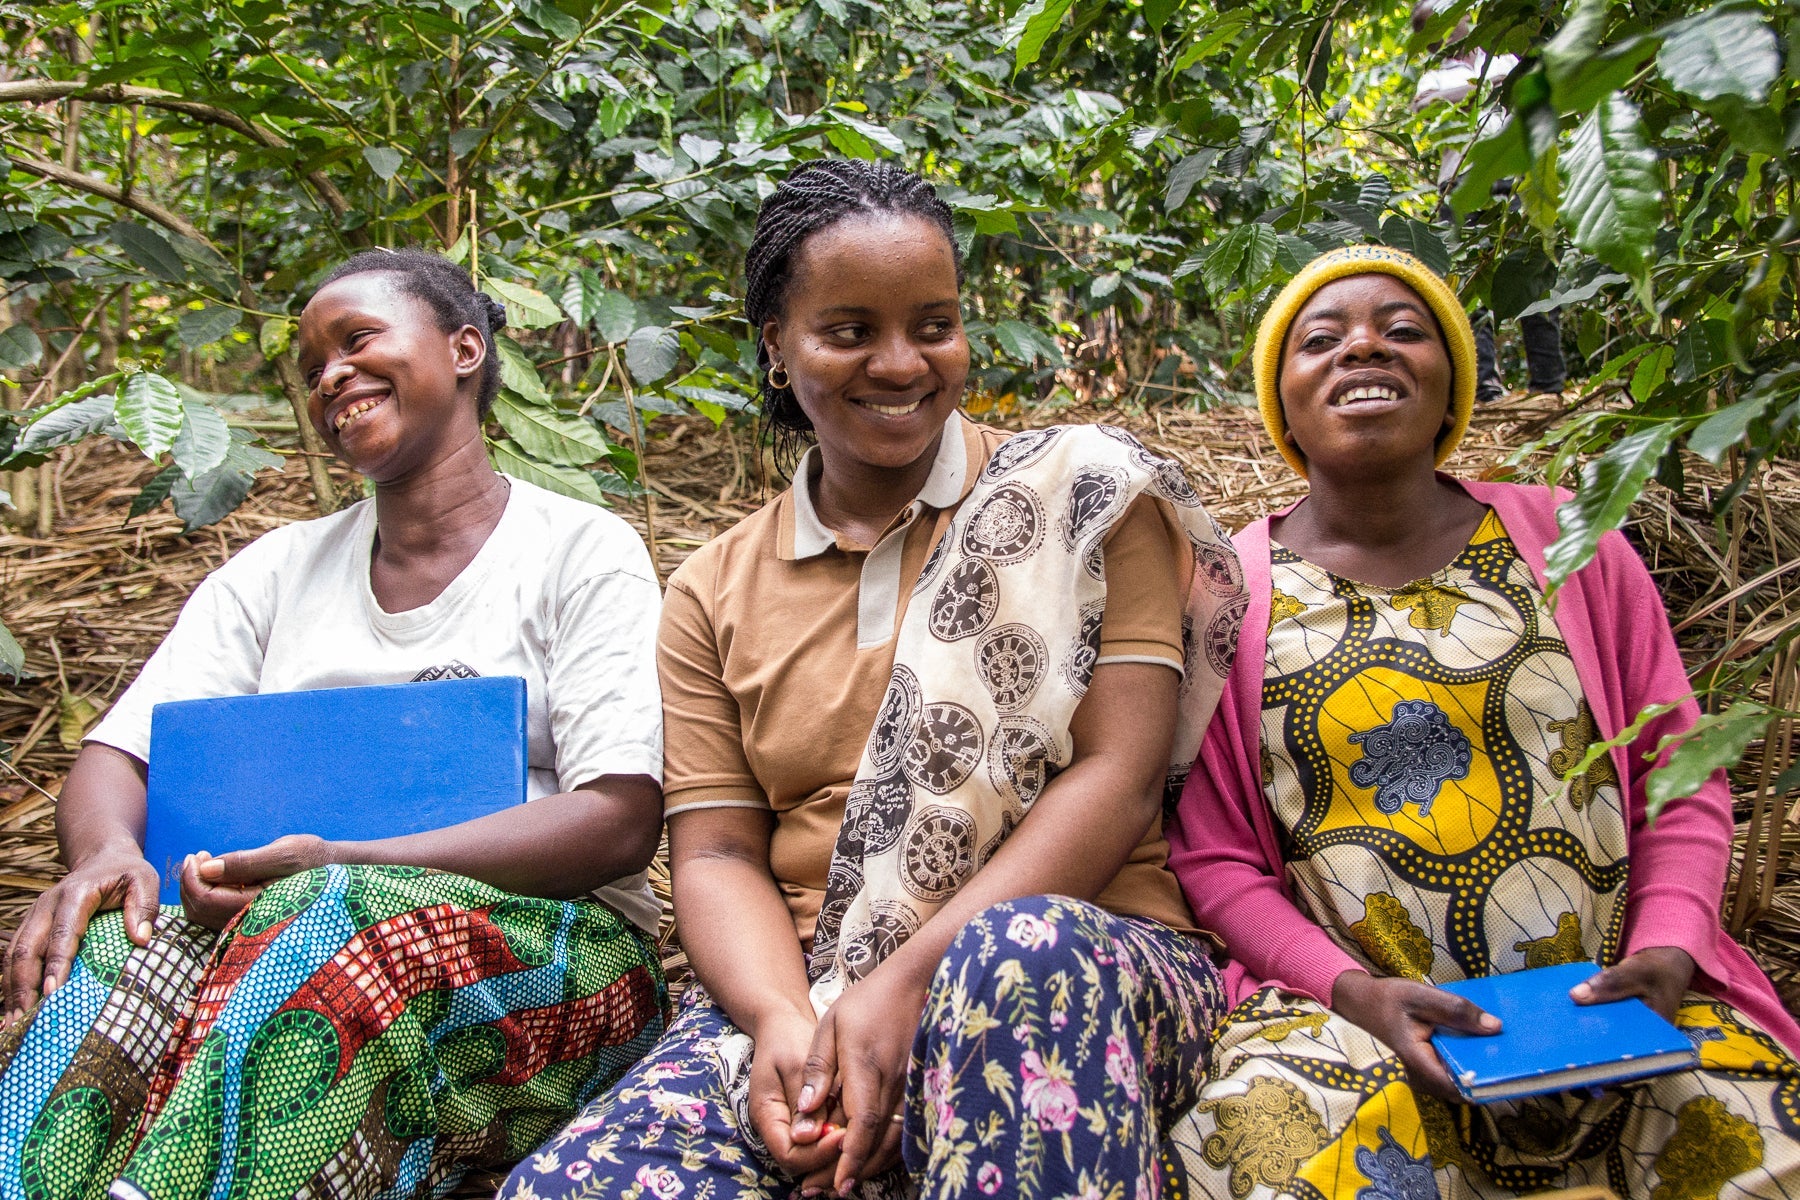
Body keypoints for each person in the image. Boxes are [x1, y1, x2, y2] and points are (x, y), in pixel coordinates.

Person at [501, 159, 1246, 1200]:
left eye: (932, 325)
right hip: (812, 991)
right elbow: (716, 851)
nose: (900, 364)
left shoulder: (1080, 500)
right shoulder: (713, 587)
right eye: (849, 331)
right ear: (776, 346)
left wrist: (909, 987)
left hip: (1082, 952)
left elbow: (1117, 783)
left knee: (1015, 964)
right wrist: (786, 1030)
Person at [0, 250, 670, 1200]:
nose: (331, 378)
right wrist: (107, 852)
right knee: (117, 946)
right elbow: (119, 750)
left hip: (561, 956)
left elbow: (618, 816)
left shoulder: (579, 551)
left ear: (466, 347)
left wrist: (347, 863)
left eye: (358, 340)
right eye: (313, 367)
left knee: (333, 922)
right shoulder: (277, 569)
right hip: (274, 933)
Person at [1162, 244, 1800, 1198]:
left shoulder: (1575, 544)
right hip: (1360, 1032)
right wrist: (1356, 997)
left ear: (1453, 386)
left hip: (1614, 1016)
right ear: (1281, 405)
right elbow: (1216, 860)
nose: (1363, 350)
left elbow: (1682, 778)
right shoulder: (1228, 597)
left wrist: (1668, 948)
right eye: (1321, 341)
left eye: (1404, 331)